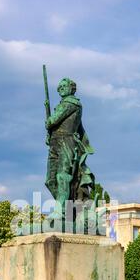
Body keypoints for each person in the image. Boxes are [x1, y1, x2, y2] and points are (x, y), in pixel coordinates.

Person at [45, 78, 95, 217]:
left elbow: (53, 121)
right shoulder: (63, 104)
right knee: (50, 180)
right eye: (59, 86)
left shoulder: (71, 103)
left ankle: (60, 210)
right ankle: (68, 209)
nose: (60, 88)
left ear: (71, 88)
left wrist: (49, 122)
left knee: (62, 176)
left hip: (67, 141)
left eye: (63, 86)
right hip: (55, 142)